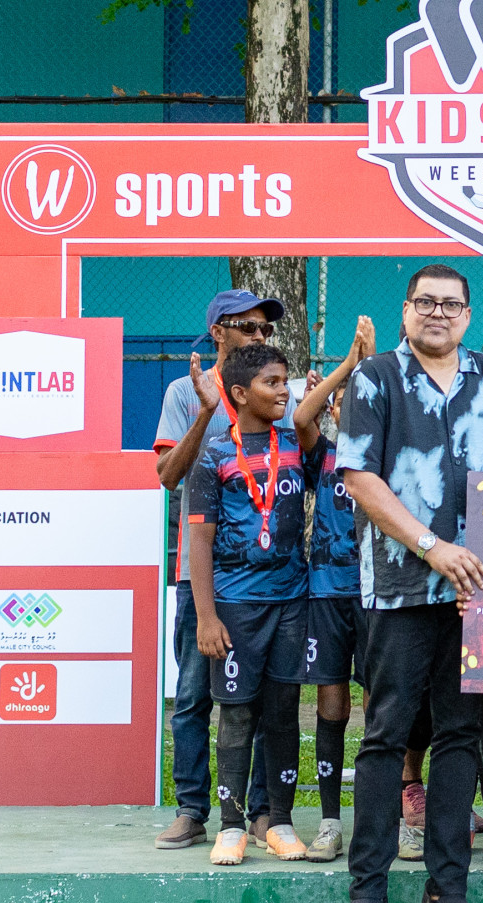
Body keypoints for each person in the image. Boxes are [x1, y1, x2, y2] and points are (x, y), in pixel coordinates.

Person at [336, 263, 483, 903]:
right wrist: (430, 546)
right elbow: (359, 477)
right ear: (406, 310)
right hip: (397, 586)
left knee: (459, 738)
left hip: (474, 589)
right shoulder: (376, 378)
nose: (437, 314)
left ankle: (447, 889)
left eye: (451, 304)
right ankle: (368, 891)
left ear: (469, 315)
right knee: (387, 736)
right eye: (426, 303)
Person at [152, 289, 289, 851]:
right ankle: (192, 809)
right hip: (201, 573)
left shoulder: (273, 389)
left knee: (262, 699)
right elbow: (166, 474)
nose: (259, 337)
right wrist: (207, 411)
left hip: (266, 578)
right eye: (247, 328)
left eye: (264, 330)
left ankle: (258, 813)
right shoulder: (186, 391)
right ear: (218, 333)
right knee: (193, 697)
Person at [187, 343, 320, 866]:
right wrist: (206, 616)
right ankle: (231, 824)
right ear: (240, 394)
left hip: (291, 600)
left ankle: (281, 821)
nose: (283, 391)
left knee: (285, 713)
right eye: (272, 382)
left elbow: (323, 442)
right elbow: (199, 543)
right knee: (237, 713)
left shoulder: (296, 445)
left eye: (286, 381)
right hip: (235, 605)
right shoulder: (215, 457)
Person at [294, 317, 377, 862]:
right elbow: (300, 414)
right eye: (341, 399)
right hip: (326, 593)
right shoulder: (320, 451)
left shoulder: (381, 453)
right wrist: (347, 365)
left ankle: (383, 815)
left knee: (382, 704)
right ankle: (329, 821)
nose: (348, 404)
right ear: (333, 407)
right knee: (331, 701)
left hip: (377, 593)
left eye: (357, 397)